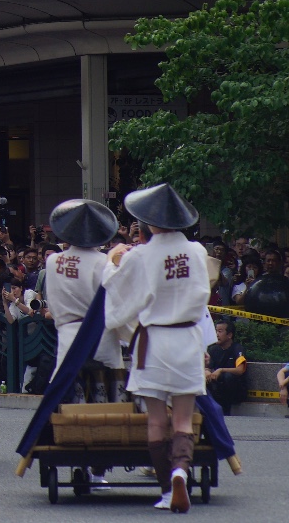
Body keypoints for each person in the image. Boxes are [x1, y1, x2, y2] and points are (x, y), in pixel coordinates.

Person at [104, 182, 211, 514]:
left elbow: (115, 293)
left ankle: (166, 489)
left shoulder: (140, 255)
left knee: (155, 422)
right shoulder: (197, 251)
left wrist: (114, 260)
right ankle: (181, 470)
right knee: (182, 420)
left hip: (153, 342)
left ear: (149, 223)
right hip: (188, 339)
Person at [46, 198, 124, 409]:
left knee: (69, 397)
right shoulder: (103, 262)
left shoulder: (52, 261)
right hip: (101, 334)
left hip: (67, 332)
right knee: (107, 400)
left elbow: (51, 302)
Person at [205, 318, 249, 412]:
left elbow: (240, 370)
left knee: (228, 376)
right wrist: (207, 371)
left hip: (235, 389)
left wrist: (221, 370)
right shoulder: (213, 349)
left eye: (220, 331)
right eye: (216, 331)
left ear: (229, 335)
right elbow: (207, 366)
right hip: (217, 386)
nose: (216, 334)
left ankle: (226, 408)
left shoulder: (237, 348)